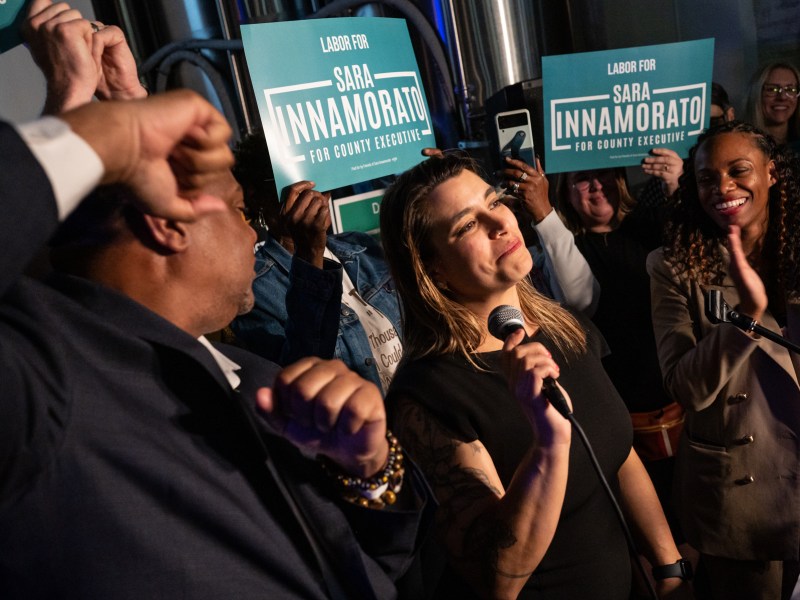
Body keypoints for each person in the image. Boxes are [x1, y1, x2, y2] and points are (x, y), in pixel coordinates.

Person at [0, 90, 430, 600]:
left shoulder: (259, 381)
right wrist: (103, 134)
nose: (253, 234)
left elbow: (371, 565)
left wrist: (369, 471)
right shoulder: (52, 386)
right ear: (168, 223)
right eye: (239, 210)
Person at [379, 153, 690, 599]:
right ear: (433, 270)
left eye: (495, 202)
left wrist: (669, 568)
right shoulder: (427, 396)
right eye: (466, 225)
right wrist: (548, 444)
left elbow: (619, 454)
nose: (501, 223)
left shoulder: (565, 327)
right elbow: (497, 578)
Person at [647, 121, 800, 600]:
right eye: (708, 178)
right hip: (741, 492)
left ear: (771, 173)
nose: (724, 188)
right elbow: (685, 387)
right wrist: (746, 318)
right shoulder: (673, 265)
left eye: (739, 171)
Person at [230, 133, 403, 394]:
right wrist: (309, 254)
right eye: (291, 180)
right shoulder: (251, 287)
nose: (313, 189)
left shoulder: (360, 246)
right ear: (256, 196)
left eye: (318, 173)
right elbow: (302, 378)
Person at [745, 62, 800, 151]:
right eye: (772, 89)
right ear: (757, 94)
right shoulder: (742, 144)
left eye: (790, 89)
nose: (782, 97)